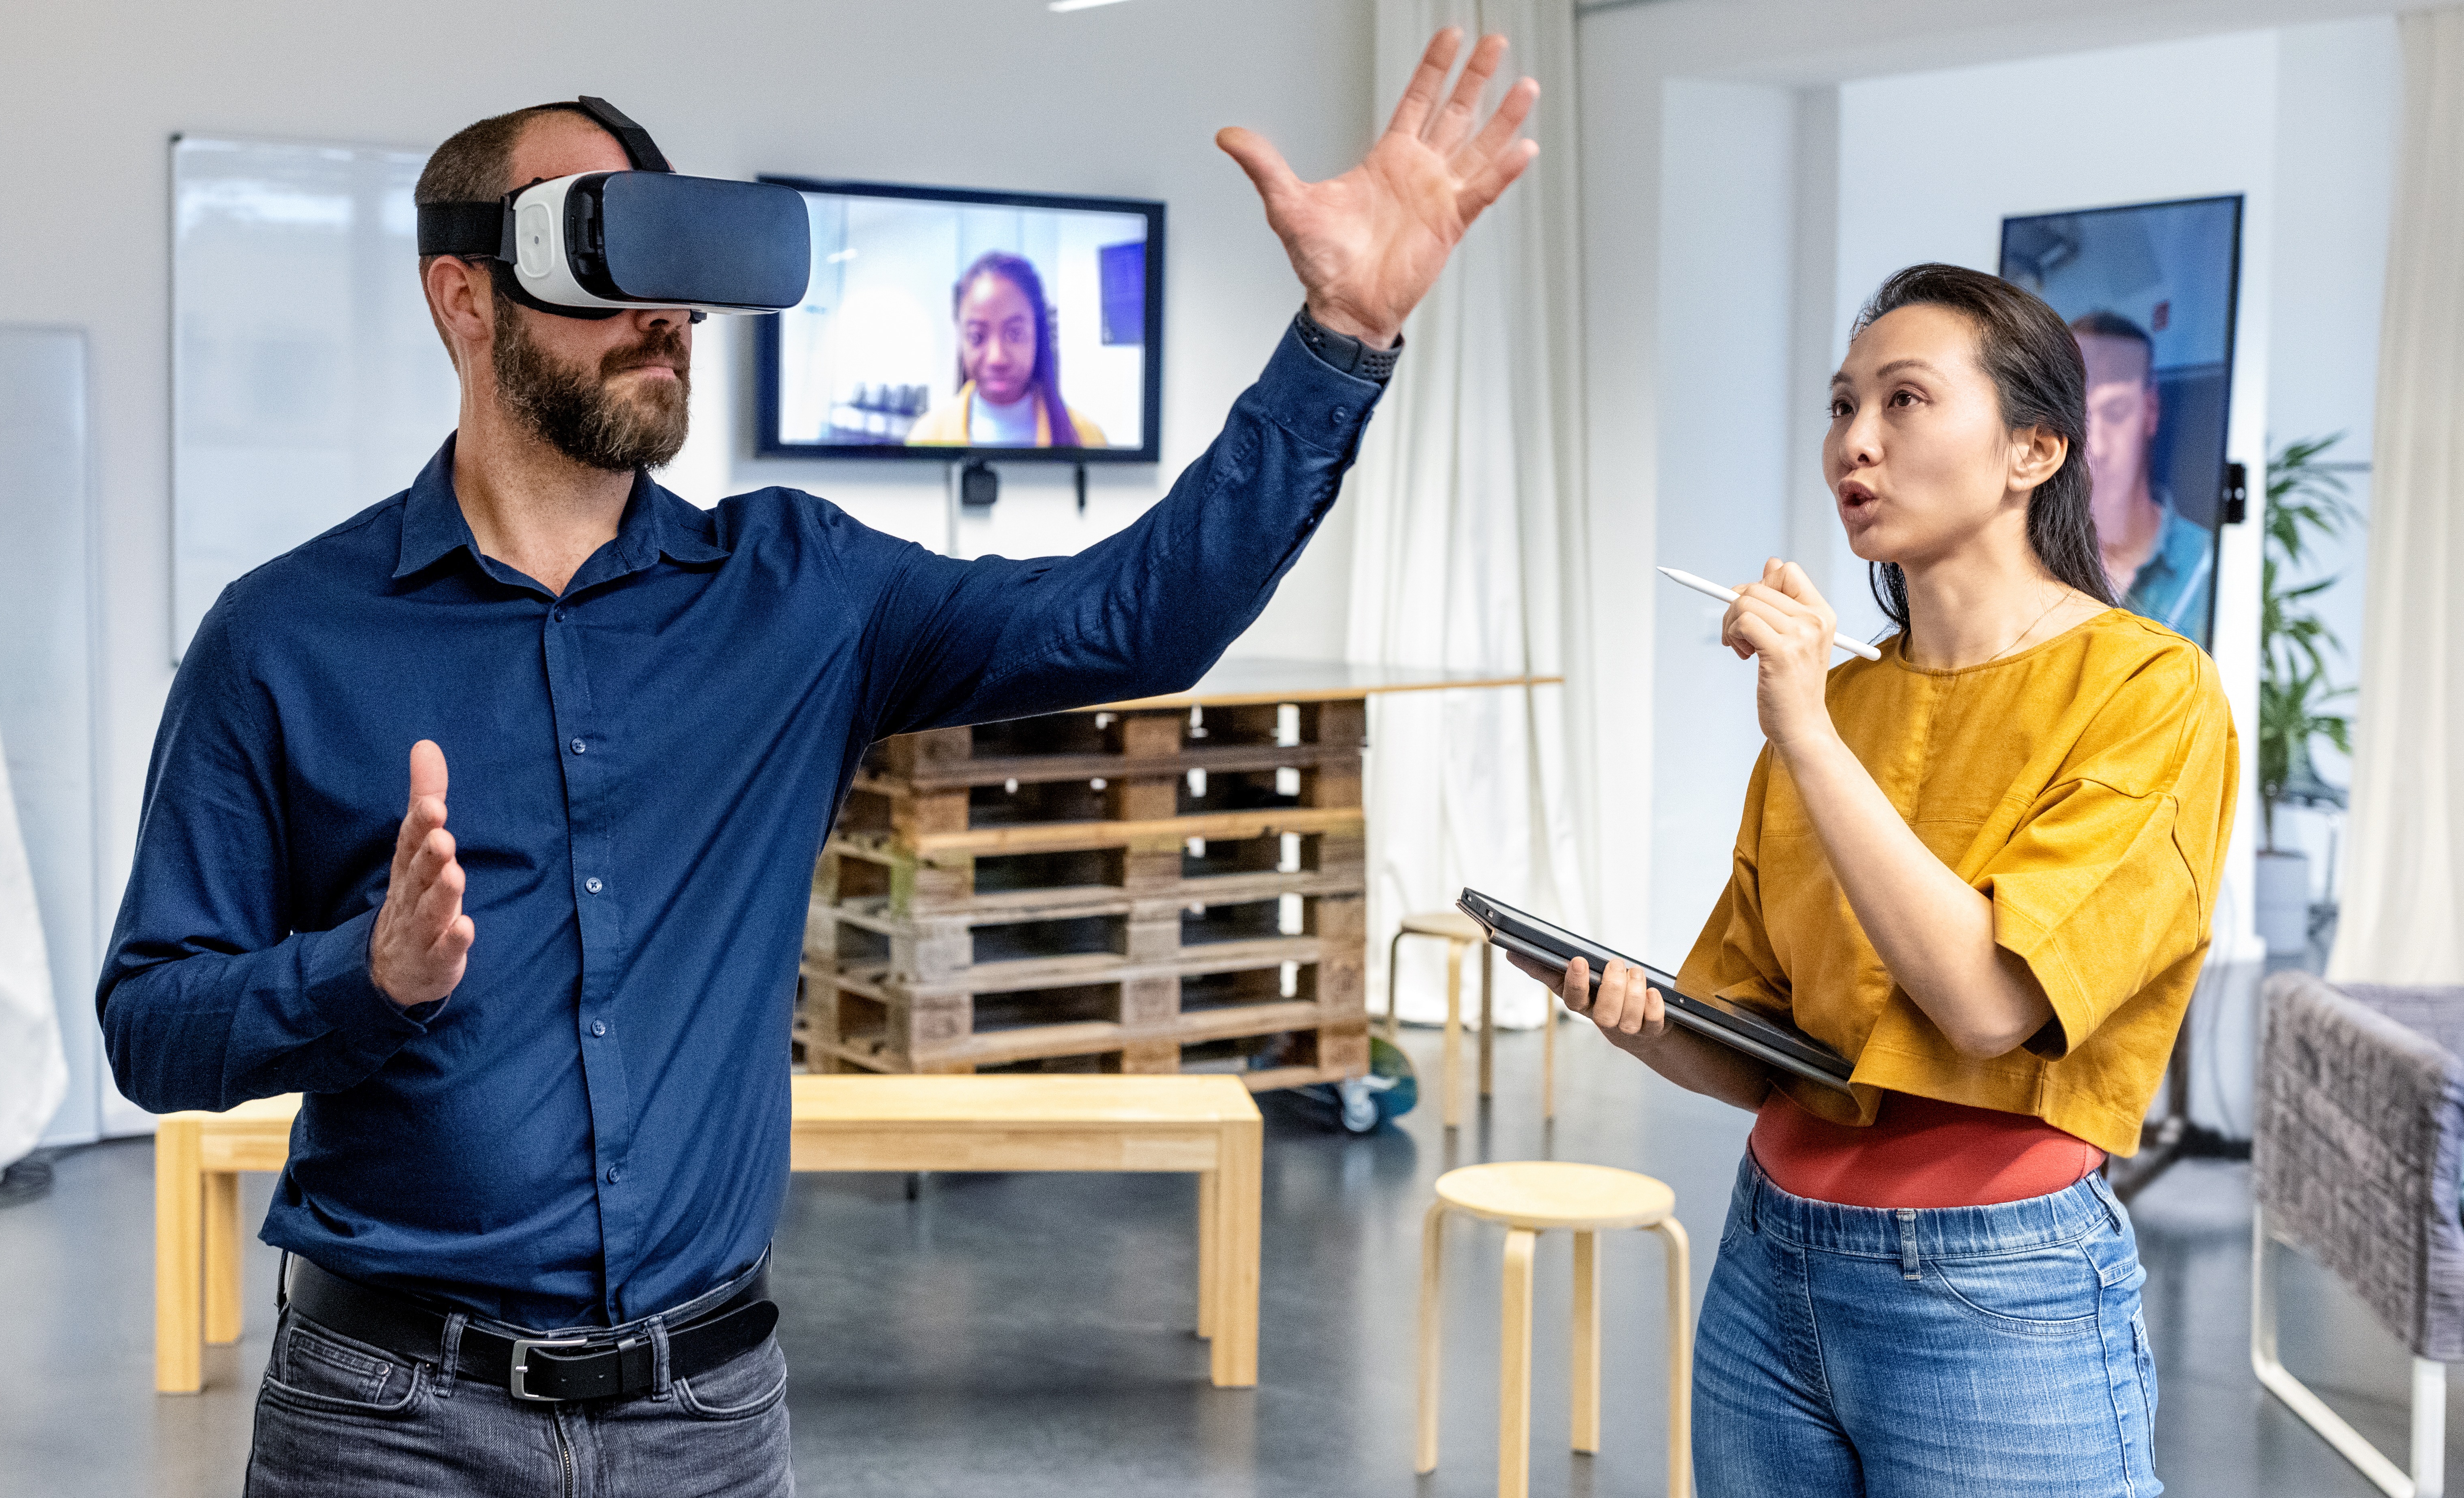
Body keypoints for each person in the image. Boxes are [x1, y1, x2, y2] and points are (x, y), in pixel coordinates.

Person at [98, 31, 1538, 1498]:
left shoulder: (796, 592)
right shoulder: (284, 638)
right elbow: (150, 1026)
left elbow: (1138, 617)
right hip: (387, 1426)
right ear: (463, 297)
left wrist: (1341, 336)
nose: (663, 315)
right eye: (605, 257)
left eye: (678, 269)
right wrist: (363, 976)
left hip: (699, 1421)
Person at [1516, 264, 2237, 1497]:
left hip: (1996, 1289)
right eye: (1843, 405)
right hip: (1767, 1262)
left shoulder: (2150, 693)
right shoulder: (1840, 701)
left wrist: (1804, 731)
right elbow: (1759, 1045)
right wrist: (1642, 1022)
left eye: (1905, 400)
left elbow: (1986, 1003)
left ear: (2034, 451)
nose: (1855, 441)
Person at [2071, 310, 2213, 634]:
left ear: (2151, 410)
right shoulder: (2029, 558)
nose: (2096, 446)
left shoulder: (2206, 565)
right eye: (2078, 417)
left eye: (2115, 412)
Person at [902, 250, 1107, 447]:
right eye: (977, 337)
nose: (997, 358)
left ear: (1038, 334)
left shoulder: (1086, 438)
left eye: (1015, 334)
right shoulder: (926, 437)